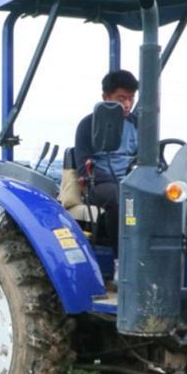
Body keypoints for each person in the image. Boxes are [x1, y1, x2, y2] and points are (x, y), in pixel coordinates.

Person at [71, 69, 140, 248]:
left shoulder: (138, 124)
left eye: (131, 98)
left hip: (131, 181)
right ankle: (121, 258)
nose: (127, 104)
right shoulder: (88, 125)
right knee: (119, 197)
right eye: (121, 98)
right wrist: (118, 182)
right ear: (106, 97)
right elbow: (83, 167)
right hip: (99, 184)